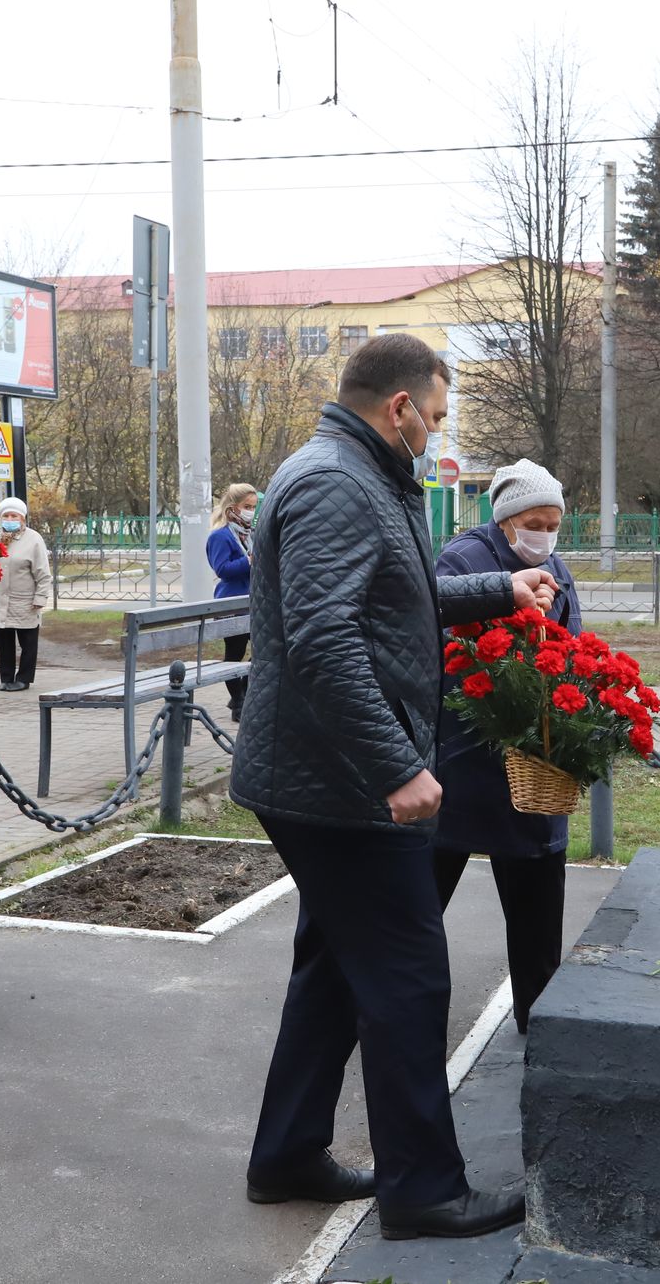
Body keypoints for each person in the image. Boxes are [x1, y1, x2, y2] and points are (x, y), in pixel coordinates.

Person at [231, 333, 559, 1241]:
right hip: (341, 783)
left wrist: (502, 586)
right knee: (409, 978)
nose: (438, 434)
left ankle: (287, 1154)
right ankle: (422, 1188)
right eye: (438, 416)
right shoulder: (339, 480)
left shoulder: (355, 469)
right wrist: (397, 768)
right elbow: (324, 638)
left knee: (336, 968)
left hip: (325, 775)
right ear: (400, 406)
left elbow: (392, 596)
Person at [431, 459, 581, 1035]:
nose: (545, 534)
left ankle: (537, 1020)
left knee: (537, 902)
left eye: (553, 522)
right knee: (421, 906)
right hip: (464, 763)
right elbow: (444, 642)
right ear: (506, 522)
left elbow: (573, 650)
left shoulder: (556, 567)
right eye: (535, 522)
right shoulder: (465, 560)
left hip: (531, 768)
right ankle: (396, 1018)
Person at [0, 496, 51, 693]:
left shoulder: (33, 539)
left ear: (22, 518)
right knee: (3, 641)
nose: (10, 519)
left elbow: (43, 573)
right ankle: (6, 677)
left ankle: (24, 678)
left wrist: (40, 598)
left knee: (28, 642)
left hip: (25, 600)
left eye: (14, 515)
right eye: (6, 515)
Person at [205, 482, 257, 723]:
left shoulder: (248, 534)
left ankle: (242, 692)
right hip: (231, 605)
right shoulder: (220, 536)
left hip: (252, 603)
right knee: (233, 656)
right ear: (232, 507)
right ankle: (238, 702)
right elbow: (222, 569)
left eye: (254, 507)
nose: (251, 511)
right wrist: (249, 561)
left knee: (263, 651)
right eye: (247, 506)